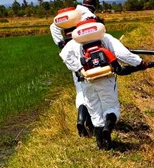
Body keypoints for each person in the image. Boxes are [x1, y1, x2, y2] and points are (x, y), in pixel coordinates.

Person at [60, 18, 148, 150]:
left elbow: (65, 55)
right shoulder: (105, 37)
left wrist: (79, 69)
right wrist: (140, 63)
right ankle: (107, 129)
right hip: (106, 78)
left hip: (87, 80)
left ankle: (101, 145)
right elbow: (123, 54)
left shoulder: (75, 42)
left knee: (94, 110)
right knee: (111, 107)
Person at [49, 0, 99, 137]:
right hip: (86, 52)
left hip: (71, 54)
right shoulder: (90, 16)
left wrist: (61, 43)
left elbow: (53, 26)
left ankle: (81, 120)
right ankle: (89, 123)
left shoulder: (71, 14)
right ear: (94, 6)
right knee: (92, 88)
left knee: (80, 88)